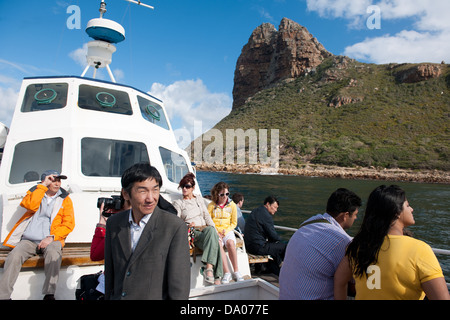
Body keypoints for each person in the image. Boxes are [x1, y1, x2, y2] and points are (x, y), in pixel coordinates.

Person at [334, 185, 449, 300]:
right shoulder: (420, 250)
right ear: (396, 212)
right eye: (408, 206)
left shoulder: (358, 247)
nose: (411, 209)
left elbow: (339, 281)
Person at [104, 163, 190, 300]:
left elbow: (179, 287)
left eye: (155, 190)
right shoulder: (114, 224)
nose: (151, 198)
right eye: (143, 191)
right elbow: (110, 274)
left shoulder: (174, 227)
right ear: (126, 194)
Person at [0, 170, 75, 300]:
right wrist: (42, 186)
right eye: (53, 180)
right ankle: (3, 296)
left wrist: (51, 237)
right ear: (45, 181)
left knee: (54, 254)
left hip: (52, 239)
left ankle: (49, 294)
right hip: (29, 240)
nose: (57, 183)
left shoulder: (65, 199)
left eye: (59, 180)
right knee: (14, 256)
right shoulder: (35, 192)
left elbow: (69, 224)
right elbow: (30, 205)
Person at [279, 188, 361, 300]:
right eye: (355, 214)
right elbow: (354, 286)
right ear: (345, 216)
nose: (356, 218)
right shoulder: (342, 242)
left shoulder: (307, 224)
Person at [173, 173, 223, 285]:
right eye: (182, 186)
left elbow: (207, 216)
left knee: (213, 234)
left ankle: (212, 273)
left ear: (193, 188)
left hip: (205, 231)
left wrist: (216, 231)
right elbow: (176, 221)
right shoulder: (179, 203)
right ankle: (215, 274)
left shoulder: (199, 200)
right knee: (213, 236)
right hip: (193, 233)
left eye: (187, 186)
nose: (184, 189)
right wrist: (186, 225)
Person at [207, 182, 244, 283]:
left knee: (230, 243)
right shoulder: (211, 206)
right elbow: (208, 221)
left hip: (227, 230)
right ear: (217, 194)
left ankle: (236, 271)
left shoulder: (232, 205)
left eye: (227, 194)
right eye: (222, 194)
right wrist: (216, 231)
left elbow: (234, 223)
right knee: (218, 244)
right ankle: (227, 272)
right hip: (216, 231)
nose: (224, 197)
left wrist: (226, 231)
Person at [244, 196, 286, 276]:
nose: (276, 210)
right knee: (285, 247)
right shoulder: (266, 215)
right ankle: (284, 270)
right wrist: (279, 240)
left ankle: (274, 268)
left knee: (274, 247)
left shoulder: (256, 211)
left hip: (249, 245)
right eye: (274, 207)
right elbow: (273, 235)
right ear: (268, 204)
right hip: (257, 247)